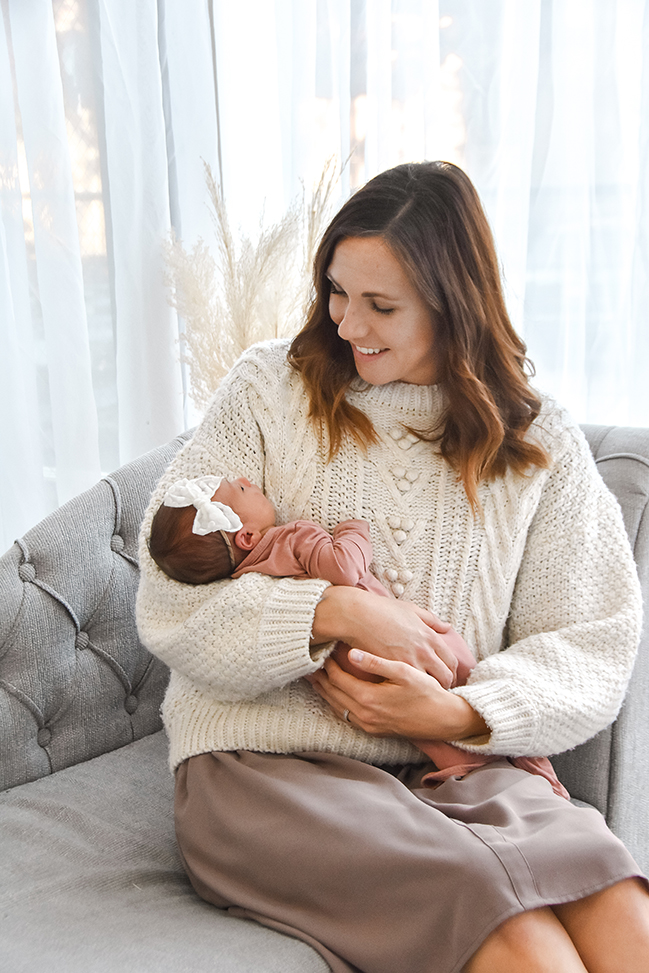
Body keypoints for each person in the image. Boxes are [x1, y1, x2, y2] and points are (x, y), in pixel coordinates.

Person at [136, 161, 649, 973]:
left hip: (457, 758)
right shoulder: (267, 389)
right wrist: (338, 612)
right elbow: (169, 602)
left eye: (381, 305)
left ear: (455, 303)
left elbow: (591, 642)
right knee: (519, 939)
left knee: (620, 908)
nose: (347, 323)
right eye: (337, 291)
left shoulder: (533, 439)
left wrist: (457, 712)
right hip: (267, 766)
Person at [147, 471, 569, 798]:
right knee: (461, 671)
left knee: (424, 727)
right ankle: (531, 767)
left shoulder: (246, 576)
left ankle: (463, 769)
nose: (247, 480)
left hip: (345, 665)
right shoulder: (292, 538)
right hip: (386, 642)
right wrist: (353, 530)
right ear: (247, 536)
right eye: (242, 489)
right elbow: (346, 569)